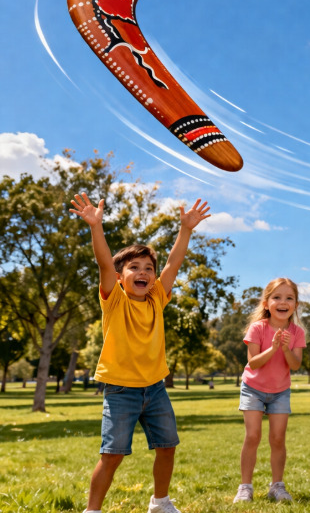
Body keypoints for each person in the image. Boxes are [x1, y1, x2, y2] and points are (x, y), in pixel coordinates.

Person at [70, 193, 211, 513]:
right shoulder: (114, 300)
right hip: (121, 390)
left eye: (149, 267)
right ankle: (92, 511)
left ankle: (159, 502)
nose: (143, 272)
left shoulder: (157, 298)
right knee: (112, 455)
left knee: (167, 446)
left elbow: (174, 263)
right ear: (121, 277)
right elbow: (104, 262)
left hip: (155, 387)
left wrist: (185, 230)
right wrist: (96, 227)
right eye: (134, 267)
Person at [233, 278, 306, 504]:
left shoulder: (297, 332)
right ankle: (245, 487)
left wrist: (284, 348)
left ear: (295, 304)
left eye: (289, 298)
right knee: (253, 436)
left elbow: (295, 365)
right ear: (266, 303)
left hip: (280, 391)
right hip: (253, 388)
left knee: (277, 439)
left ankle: (277, 486)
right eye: (277, 297)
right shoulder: (258, 328)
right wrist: (273, 347)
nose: (283, 302)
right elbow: (253, 363)